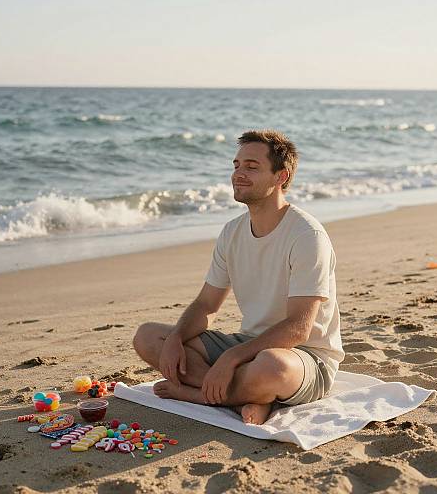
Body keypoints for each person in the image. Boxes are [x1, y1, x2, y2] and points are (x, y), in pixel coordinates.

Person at [133, 129, 344, 425]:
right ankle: (245, 398)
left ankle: (202, 394)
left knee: (272, 367)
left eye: (252, 167)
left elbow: (298, 328)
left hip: (304, 356)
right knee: (149, 336)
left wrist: (230, 360)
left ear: (280, 177)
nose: (238, 174)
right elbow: (207, 305)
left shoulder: (307, 235)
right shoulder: (232, 232)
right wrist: (176, 338)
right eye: (236, 165)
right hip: (249, 343)